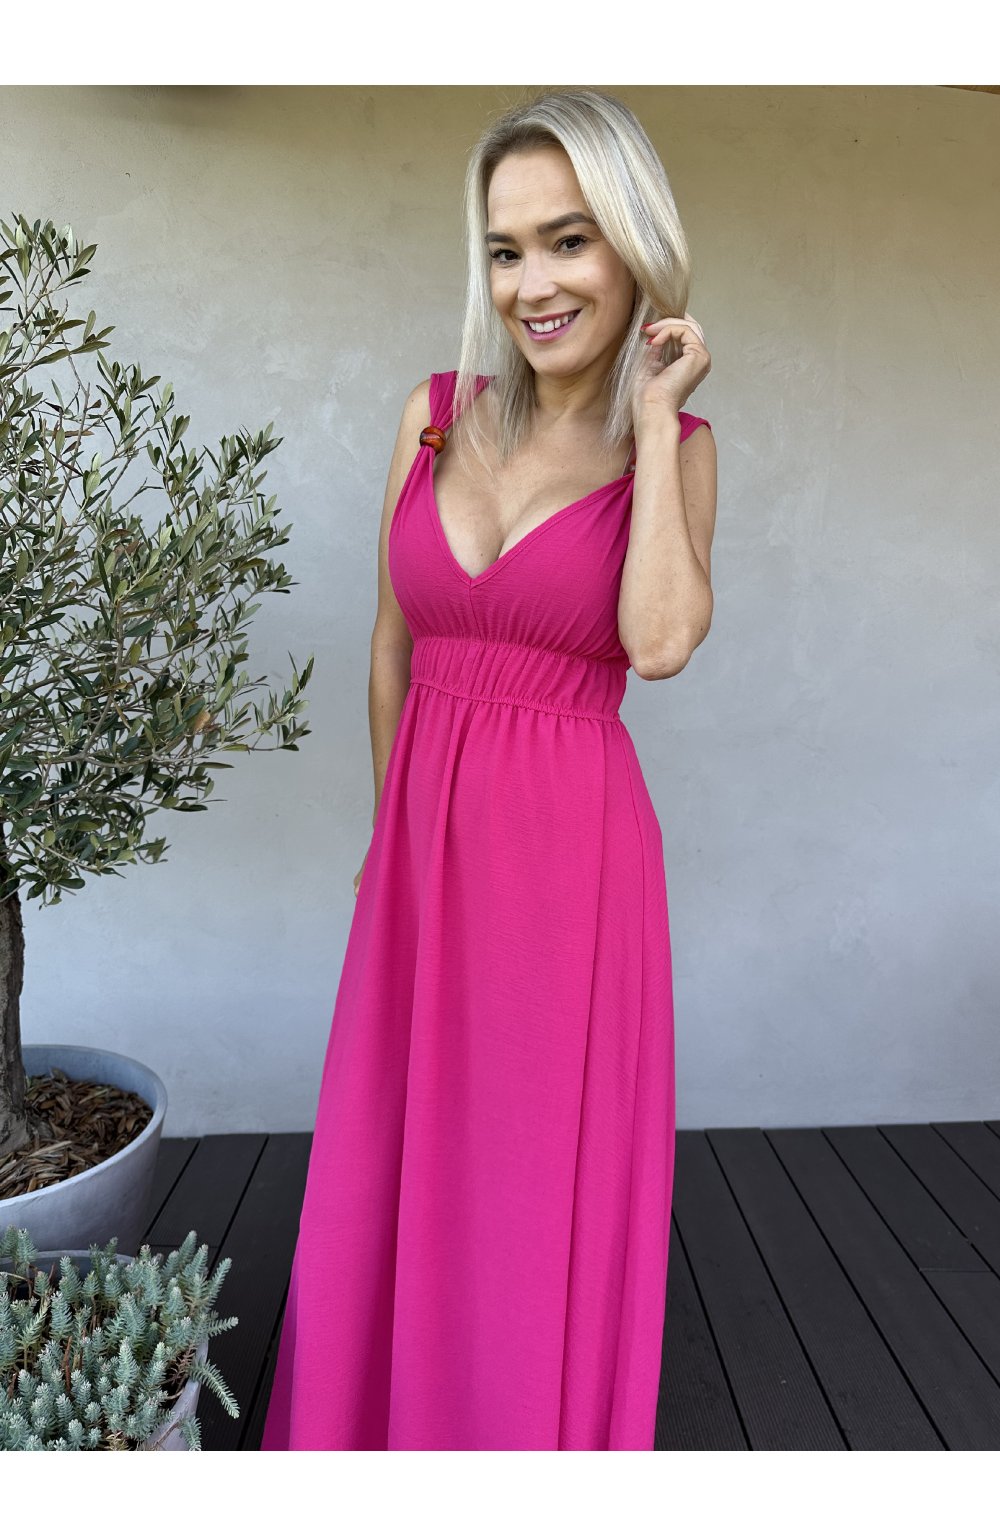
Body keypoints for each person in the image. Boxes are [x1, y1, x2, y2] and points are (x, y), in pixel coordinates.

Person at [260, 87, 717, 1452]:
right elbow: (389, 649)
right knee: (391, 1160)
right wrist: (387, 839)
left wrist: (654, 420)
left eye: (570, 241)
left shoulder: (678, 454)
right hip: (419, 854)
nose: (534, 285)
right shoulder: (434, 413)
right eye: (506, 250)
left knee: (522, 1182)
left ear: (635, 245)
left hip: (568, 870)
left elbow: (658, 643)